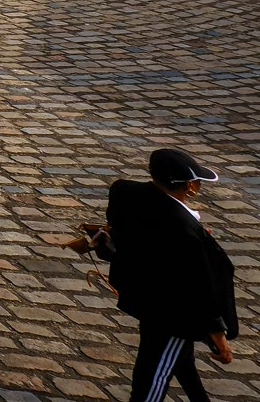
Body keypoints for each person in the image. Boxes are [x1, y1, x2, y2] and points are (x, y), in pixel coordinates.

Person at [105, 148, 238, 401]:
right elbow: (200, 286)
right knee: (152, 379)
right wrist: (218, 334)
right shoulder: (184, 229)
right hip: (174, 314)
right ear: (190, 187)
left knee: (178, 357)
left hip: (144, 295)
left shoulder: (124, 191)